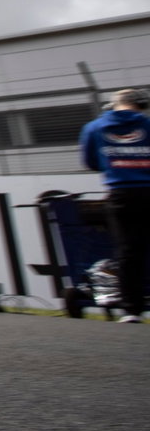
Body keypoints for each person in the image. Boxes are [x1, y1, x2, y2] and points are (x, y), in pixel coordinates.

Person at [80, 88, 150, 323]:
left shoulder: (94, 127)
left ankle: (131, 310)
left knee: (128, 252)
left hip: (121, 194)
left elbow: (90, 162)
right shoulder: (147, 124)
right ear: (141, 104)